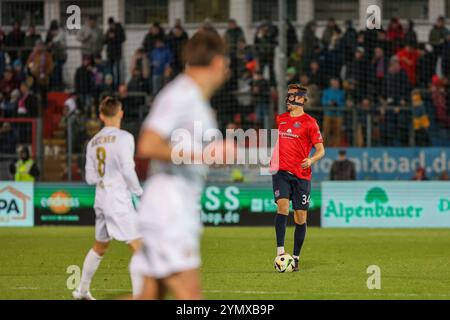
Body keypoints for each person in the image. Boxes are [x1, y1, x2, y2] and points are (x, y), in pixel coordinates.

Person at [130, 31, 230, 300]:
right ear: (218, 63)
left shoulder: (196, 101)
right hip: (169, 210)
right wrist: (204, 154)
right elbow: (148, 145)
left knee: (149, 297)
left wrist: (216, 157)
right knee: (191, 298)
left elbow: (198, 154)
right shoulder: (181, 94)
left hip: (175, 206)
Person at [72, 97, 143, 300]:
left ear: (101, 116)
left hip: (101, 198)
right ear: (121, 113)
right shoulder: (125, 137)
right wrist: (138, 191)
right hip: (117, 198)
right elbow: (128, 170)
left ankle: (82, 292)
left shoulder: (93, 142)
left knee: (100, 246)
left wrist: (105, 178)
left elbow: (89, 178)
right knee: (141, 249)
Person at [269, 84, 325, 272]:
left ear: (300, 99)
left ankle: (295, 257)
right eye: (287, 95)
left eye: (291, 96)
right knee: (282, 206)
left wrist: (311, 160)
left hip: (302, 175)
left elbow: (321, 151)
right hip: (281, 171)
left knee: (300, 217)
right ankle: (280, 252)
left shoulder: (310, 123)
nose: (288, 99)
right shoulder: (281, 119)